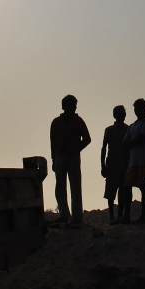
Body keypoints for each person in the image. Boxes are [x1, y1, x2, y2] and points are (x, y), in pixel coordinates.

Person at [49, 94, 91, 226]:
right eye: (72, 105)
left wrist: (76, 149)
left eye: (75, 105)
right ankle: (64, 214)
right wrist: (53, 159)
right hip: (60, 156)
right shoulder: (56, 122)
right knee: (60, 187)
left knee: (75, 187)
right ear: (64, 106)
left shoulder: (78, 121)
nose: (74, 108)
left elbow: (87, 139)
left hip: (72, 157)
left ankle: (77, 216)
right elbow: (53, 142)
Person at [123, 98, 145, 225]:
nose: (137, 110)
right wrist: (129, 143)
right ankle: (126, 216)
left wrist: (130, 143)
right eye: (136, 108)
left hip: (143, 160)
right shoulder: (132, 126)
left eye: (140, 107)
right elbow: (125, 141)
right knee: (127, 186)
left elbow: (141, 138)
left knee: (143, 186)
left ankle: (143, 216)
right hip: (133, 161)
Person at [101, 105, 130, 224]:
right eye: (119, 113)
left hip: (124, 163)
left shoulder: (128, 129)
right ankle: (111, 216)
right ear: (114, 115)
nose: (121, 116)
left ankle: (119, 216)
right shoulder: (109, 130)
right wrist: (103, 165)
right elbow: (103, 148)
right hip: (112, 163)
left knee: (122, 191)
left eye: (123, 113)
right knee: (110, 191)